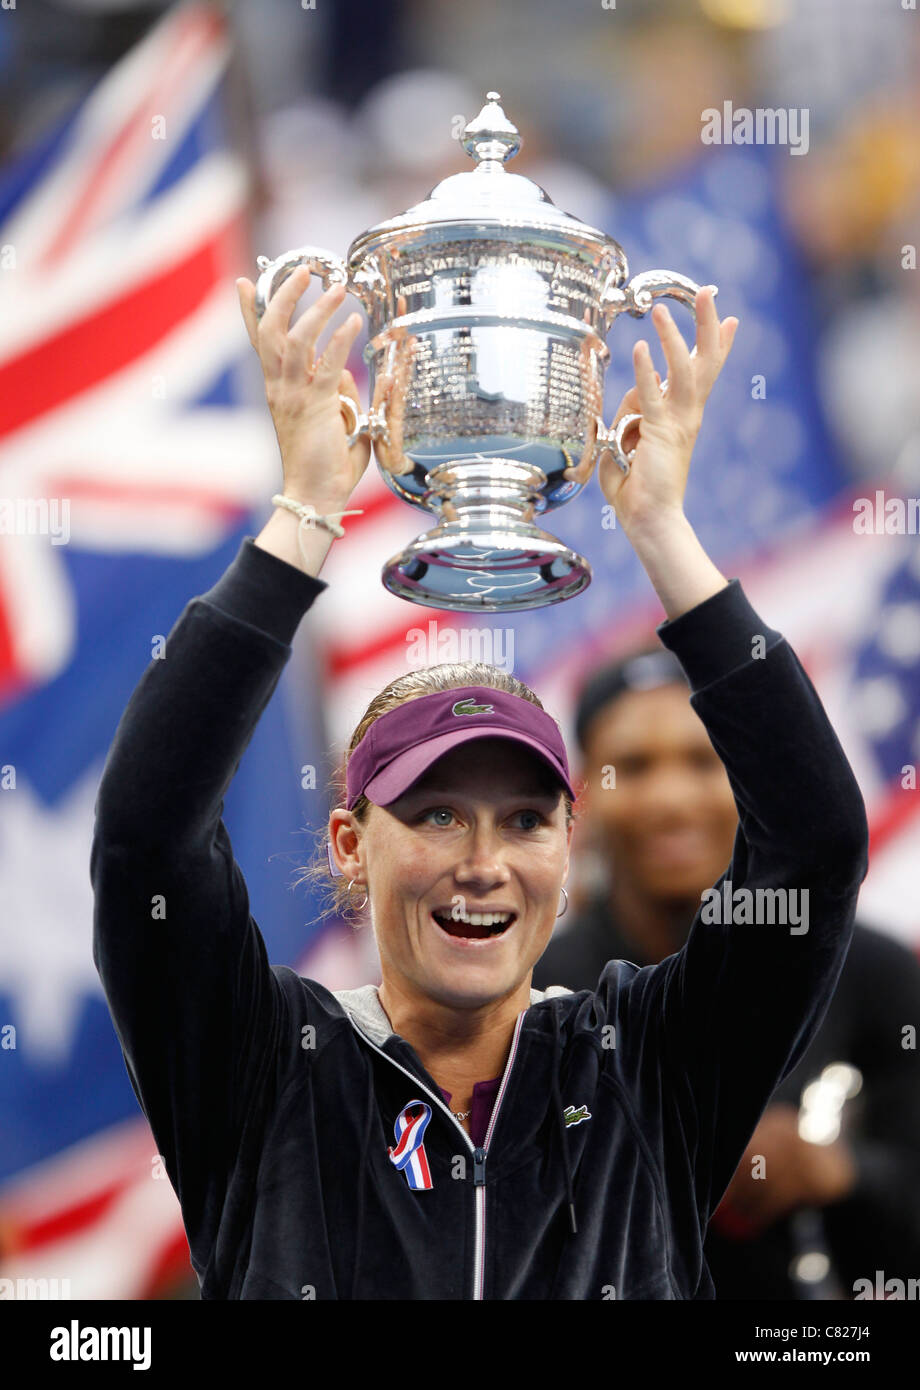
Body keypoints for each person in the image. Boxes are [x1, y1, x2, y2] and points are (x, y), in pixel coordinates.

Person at [90, 267, 870, 1300]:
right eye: (437, 812)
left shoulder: (644, 1067)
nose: (483, 863)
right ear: (348, 844)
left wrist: (661, 532)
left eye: (523, 819)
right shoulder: (262, 1070)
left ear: (567, 845)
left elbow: (811, 842)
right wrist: (305, 512)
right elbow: (149, 835)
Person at [533, 650, 920, 1298]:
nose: (671, 799)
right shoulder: (533, 988)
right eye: (632, 766)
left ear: (750, 779)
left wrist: (835, 1170)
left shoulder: (872, 973)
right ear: (583, 796)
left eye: (703, 761)